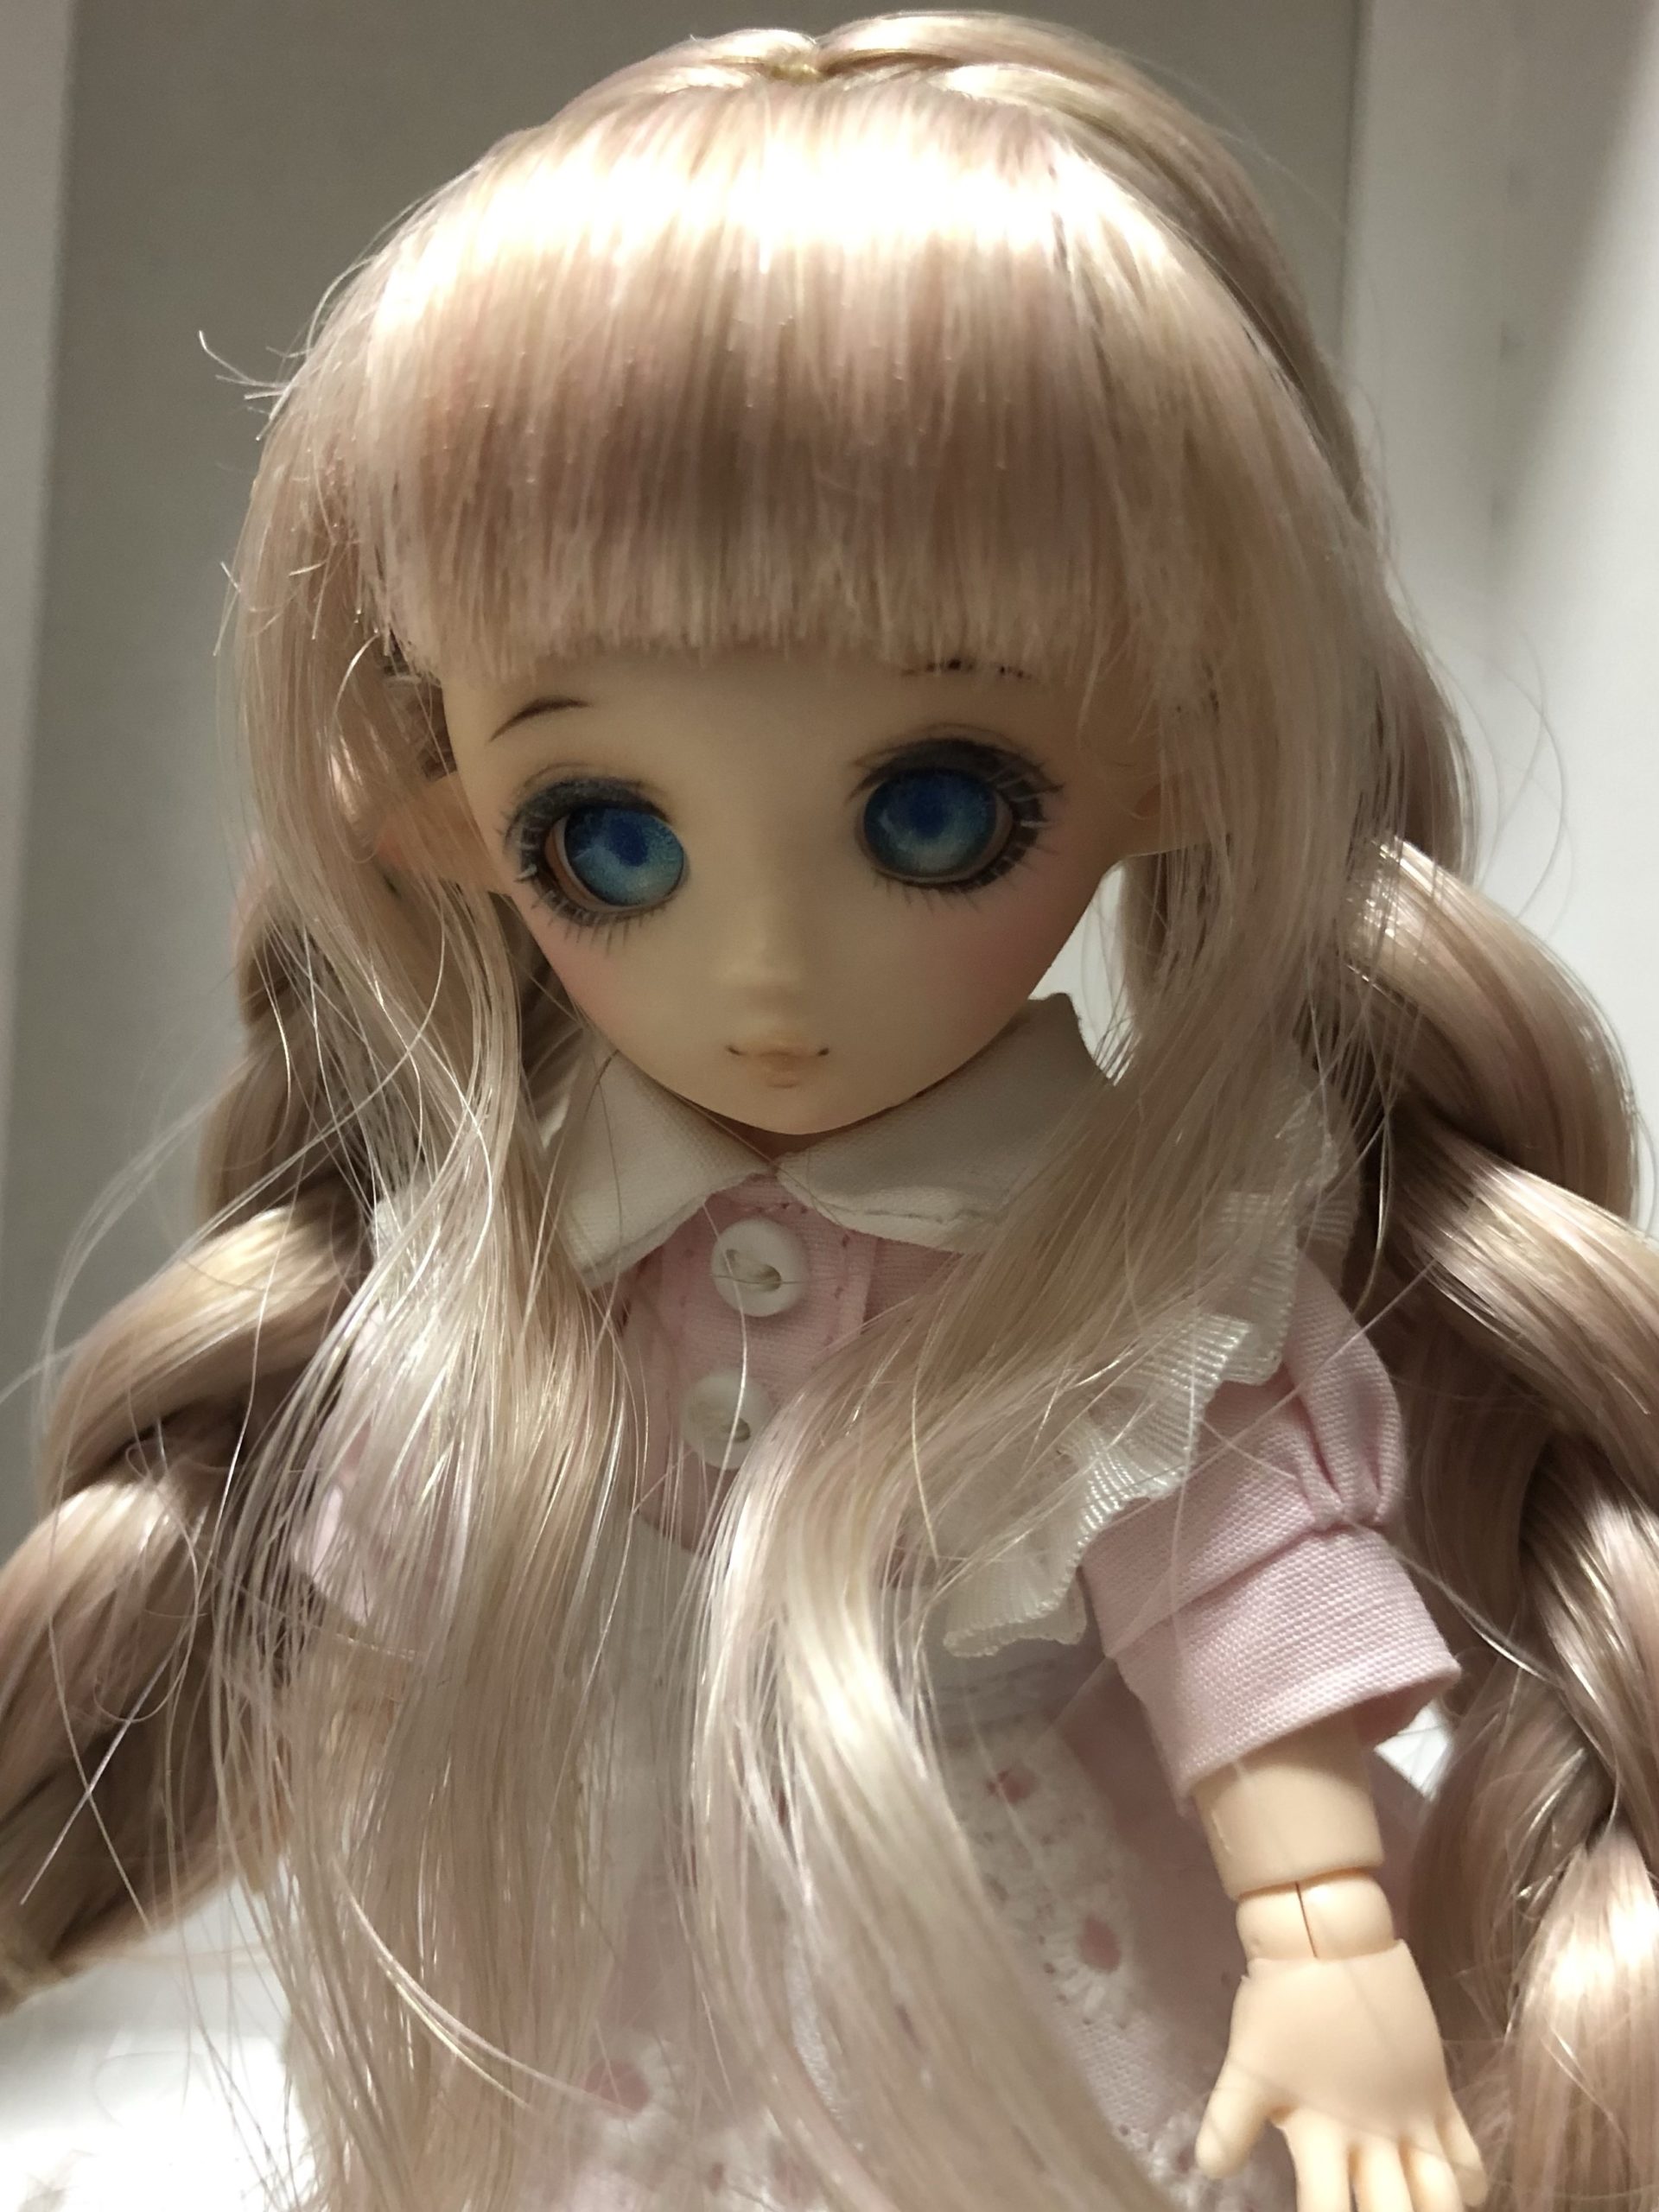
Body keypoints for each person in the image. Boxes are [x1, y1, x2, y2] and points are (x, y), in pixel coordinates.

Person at [3, 16, 1655, 2211]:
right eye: (610, 837)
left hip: (1012, 1973)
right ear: (440, 811)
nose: (770, 974)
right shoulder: (515, 1271)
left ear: (1175, 753)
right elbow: (376, 1643)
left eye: (940, 810)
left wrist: (1323, 1932)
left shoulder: (1138, 1282)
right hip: (602, 1987)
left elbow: (1242, 1582)